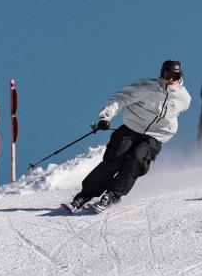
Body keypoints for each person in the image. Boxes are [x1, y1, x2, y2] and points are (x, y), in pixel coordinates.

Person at [67, 59, 192, 212]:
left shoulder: (184, 99)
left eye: (175, 76)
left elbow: (177, 112)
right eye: (168, 75)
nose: (171, 79)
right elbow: (120, 99)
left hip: (156, 136)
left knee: (137, 160)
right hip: (131, 127)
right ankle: (84, 195)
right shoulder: (146, 87)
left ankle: (112, 195)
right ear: (161, 74)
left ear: (180, 76)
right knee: (114, 159)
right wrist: (105, 118)